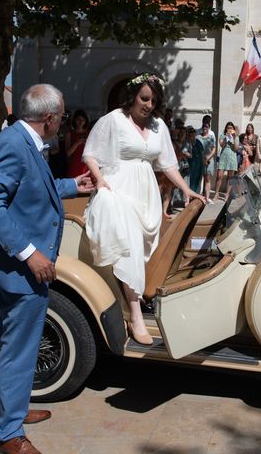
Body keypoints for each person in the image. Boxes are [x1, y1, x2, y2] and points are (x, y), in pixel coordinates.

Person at [0, 84, 94, 454]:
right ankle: (8, 433)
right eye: (60, 116)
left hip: (26, 267)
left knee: (15, 345)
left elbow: (34, 189)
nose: (61, 121)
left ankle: (11, 409)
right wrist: (30, 253)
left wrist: (73, 185)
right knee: (17, 348)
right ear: (49, 118)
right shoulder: (12, 145)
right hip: (22, 268)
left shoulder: (25, 141)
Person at [82, 73, 205, 345]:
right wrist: (100, 180)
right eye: (144, 98)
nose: (148, 105)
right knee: (129, 248)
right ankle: (136, 316)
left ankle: (132, 301)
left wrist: (186, 190)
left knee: (140, 246)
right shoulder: (114, 120)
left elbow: (167, 164)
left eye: (153, 100)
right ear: (133, 96)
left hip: (146, 193)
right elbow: (90, 153)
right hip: (118, 189)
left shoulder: (159, 126)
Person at [212, 121, 238, 202]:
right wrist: (227, 138)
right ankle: (216, 193)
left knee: (230, 178)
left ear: (233, 129)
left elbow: (235, 148)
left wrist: (233, 138)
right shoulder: (222, 136)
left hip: (232, 157)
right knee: (219, 176)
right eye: (228, 128)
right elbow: (222, 145)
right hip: (223, 157)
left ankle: (227, 194)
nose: (229, 129)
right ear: (226, 128)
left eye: (231, 128)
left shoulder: (236, 137)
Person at [65, 109, 90, 177]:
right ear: (75, 120)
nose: (80, 122)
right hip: (74, 164)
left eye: (83, 120)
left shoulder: (88, 133)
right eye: (78, 119)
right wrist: (77, 143)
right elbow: (68, 153)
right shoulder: (69, 134)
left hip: (86, 163)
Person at [197, 122, 216, 203]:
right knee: (198, 178)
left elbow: (214, 149)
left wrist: (208, 158)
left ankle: (207, 197)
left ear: (209, 128)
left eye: (207, 126)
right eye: (204, 126)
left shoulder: (211, 137)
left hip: (209, 160)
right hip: (199, 160)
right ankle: (198, 196)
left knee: (207, 179)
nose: (205, 127)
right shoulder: (198, 137)